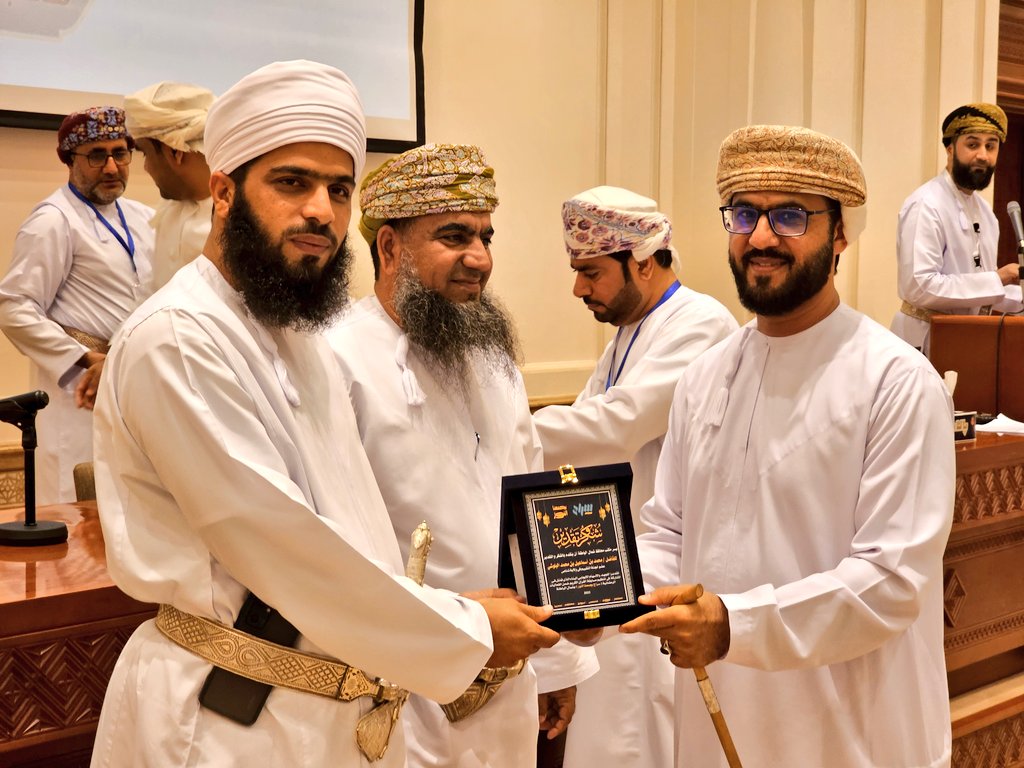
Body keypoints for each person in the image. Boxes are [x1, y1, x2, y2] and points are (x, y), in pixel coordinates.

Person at [90, 61, 559, 768]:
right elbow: (283, 544)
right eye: (292, 183)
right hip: (225, 723)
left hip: (332, 715)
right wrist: (468, 627)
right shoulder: (180, 337)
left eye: (339, 190)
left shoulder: (297, 336)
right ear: (224, 192)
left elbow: (358, 530)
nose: (322, 211)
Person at [620, 125, 955, 767]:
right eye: (744, 214)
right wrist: (597, 598)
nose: (761, 238)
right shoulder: (705, 376)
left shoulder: (896, 381)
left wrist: (731, 625)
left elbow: (889, 582)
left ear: (840, 235)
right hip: (718, 719)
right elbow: (670, 533)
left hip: (852, 733)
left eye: (791, 216)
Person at [327, 142, 597, 768]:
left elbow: (532, 503)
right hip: (394, 688)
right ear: (390, 247)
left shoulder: (491, 356)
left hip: (508, 678)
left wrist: (558, 662)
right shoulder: (337, 359)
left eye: (485, 236)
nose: (480, 258)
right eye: (454, 237)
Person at [532, 186, 737, 768]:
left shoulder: (701, 325)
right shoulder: (632, 331)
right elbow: (585, 429)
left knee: (644, 734)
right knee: (612, 731)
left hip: (667, 565)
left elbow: (616, 426)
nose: (579, 289)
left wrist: (504, 430)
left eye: (590, 272)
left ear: (643, 262)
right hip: (615, 564)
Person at [0, 106, 154, 505]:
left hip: (135, 384)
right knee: (80, 510)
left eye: (120, 154)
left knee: (135, 507)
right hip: (80, 393)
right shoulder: (53, 220)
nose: (111, 167)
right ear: (70, 160)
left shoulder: (144, 218)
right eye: (96, 156)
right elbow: (14, 307)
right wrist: (87, 359)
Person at [891, 102, 1023, 353]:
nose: (983, 155)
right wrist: (999, 277)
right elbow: (919, 286)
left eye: (991, 146)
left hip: (970, 337)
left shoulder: (986, 213)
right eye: (973, 145)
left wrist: (1019, 297)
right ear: (950, 148)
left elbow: (978, 290)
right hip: (925, 339)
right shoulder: (926, 203)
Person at [124, 80, 215, 289]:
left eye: (146, 153)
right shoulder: (169, 211)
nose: (146, 167)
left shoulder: (241, 221)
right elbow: (154, 289)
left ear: (175, 152)